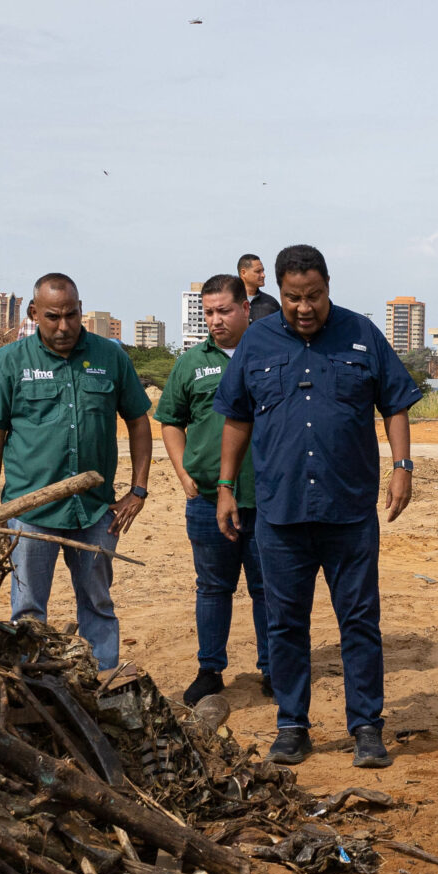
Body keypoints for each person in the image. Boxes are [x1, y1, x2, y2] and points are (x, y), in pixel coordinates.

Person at [213, 244, 421, 767]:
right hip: (280, 513)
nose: (304, 308)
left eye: (314, 296)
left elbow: (394, 403)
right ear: (277, 292)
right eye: (293, 298)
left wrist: (402, 467)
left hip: (349, 512)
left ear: (329, 286)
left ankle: (367, 727)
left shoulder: (362, 333)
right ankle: (292, 725)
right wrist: (224, 485)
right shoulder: (256, 341)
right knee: (285, 623)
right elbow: (236, 417)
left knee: (359, 621)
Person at [0, 273, 154, 671]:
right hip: (29, 513)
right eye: (53, 316)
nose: (64, 326)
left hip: (93, 512)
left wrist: (137, 490)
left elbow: (139, 421)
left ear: (81, 310)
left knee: (98, 605)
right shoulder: (11, 361)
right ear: (34, 313)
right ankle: (30, 688)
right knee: (28, 612)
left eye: (72, 315)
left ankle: (104, 684)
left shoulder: (111, 357)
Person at [156, 273, 267, 706]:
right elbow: (170, 420)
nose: (215, 320)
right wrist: (184, 473)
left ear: (245, 309)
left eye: (223, 311)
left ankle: (274, 669)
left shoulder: (271, 354)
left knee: (267, 590)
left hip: (265, 499)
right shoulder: (191, 362)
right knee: (213, 588)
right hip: (205, 499)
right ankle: (210, 670)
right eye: (208, 313)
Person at [238, 253, 279, 321]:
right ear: (243, 273)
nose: (263, 275)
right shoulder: (230, 302)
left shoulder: (271, 304)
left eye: (263, 271)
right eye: (258, 271)